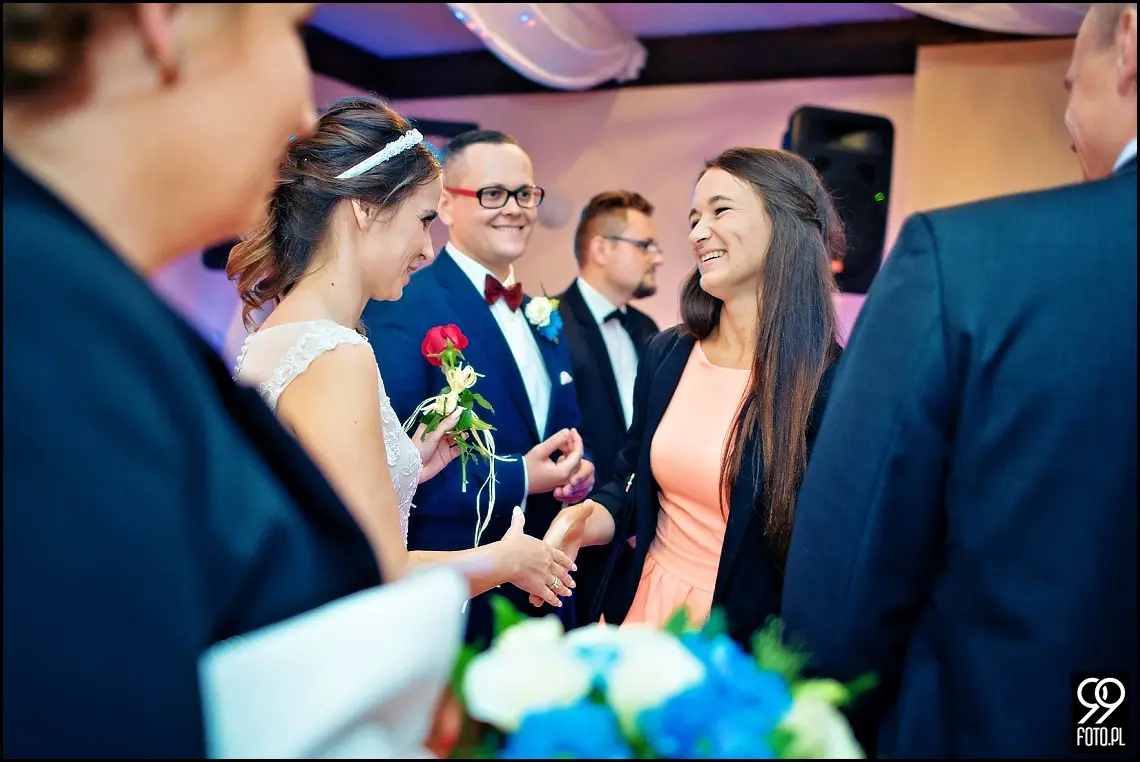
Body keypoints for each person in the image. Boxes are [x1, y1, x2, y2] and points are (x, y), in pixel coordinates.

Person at [2, 4, 389, 757]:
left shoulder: (74, 303)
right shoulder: (41, 326)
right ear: (164, 19)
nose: (306, 112)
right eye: (291, 29)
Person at [780, 3, 1137, 757]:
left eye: (1072, 82)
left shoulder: (968, 260)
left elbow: (847, 581)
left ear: (1130, 42)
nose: (1070, 114)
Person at [227, 96, 577, 608]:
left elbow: (316, 504)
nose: (428, 249)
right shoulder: (337, 354)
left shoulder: (281, 333)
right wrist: (508, 560)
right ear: (366, 210)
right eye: (423, 220)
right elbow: (377, 574)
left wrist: (405, 464)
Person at [545, 147, 843, 644]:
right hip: (641, 610)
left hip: (737, 641)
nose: (697, 233)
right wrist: (585, 518)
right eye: (694, 217)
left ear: (784, 221)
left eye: (720, 211)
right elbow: (630, 482)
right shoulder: (671, 353)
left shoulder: (829, 386)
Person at [361, 129, 596, 643]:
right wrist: (521, 477)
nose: (514, 208)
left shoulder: (541, 313)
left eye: (526, 194)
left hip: (551, 582)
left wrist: (575, 471)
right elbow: (397, 465)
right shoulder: (403, 305)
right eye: (493, 194)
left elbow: (561, 427)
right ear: (446, 204)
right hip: (468, 589)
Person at [555, 190, 662, 619]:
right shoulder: (552, 321)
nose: (657, 256)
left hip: (635, 540)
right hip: (574, 525)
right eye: (645, 245)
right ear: (600, 247)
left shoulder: (649, 328)